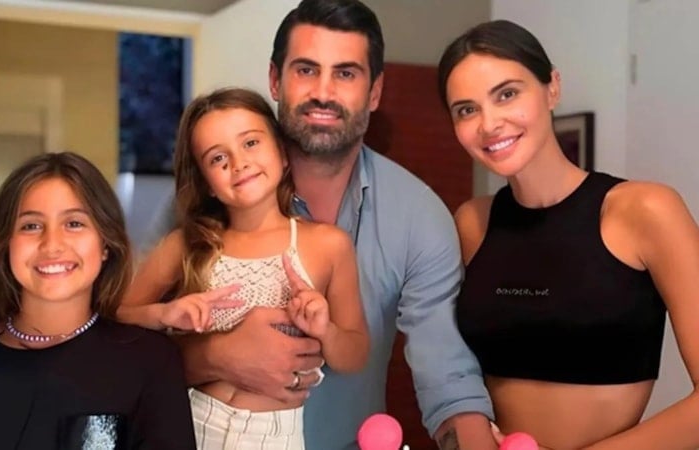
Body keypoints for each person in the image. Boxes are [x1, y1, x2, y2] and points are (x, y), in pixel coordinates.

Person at [168, 1, 497, 449]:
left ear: (375, 92)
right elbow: (124, 343)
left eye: (345, 73)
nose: (323, 92)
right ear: (275, 79)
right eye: (306, 70)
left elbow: (446, 375)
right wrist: (214, 355)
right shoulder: (210, 197)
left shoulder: (419, 216)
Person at [438, 19, 699, 450]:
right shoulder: (472, 223)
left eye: (507, 94)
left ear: (552, 88)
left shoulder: (645, 211)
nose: (489, 123)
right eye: (466, 110)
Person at [117, 87, 369, 449]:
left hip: (275, 437)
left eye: (250, 143)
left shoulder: (329, 245)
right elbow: (116, 317)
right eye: (218, 158)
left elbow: (356, 354)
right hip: (190, 424)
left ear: (282, 152)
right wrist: (164, 314)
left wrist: (325, 330)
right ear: (206, 183)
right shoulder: (186, 244)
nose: (239, 163)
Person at [0, 152, 196, 449]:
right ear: (5, 245)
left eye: (74, 223)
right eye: (31, 226)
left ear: (105, 244)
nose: (52, 245)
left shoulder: (150, 363)